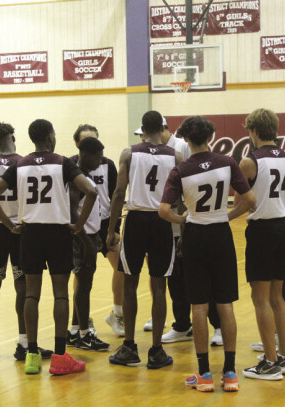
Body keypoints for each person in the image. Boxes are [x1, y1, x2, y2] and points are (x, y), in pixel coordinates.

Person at [0, 119, 97, 375]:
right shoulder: (62, 162)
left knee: (31, 294)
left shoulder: (19, 164)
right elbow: (91, 191)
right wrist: (78, 225)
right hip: (57, 232)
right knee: (60, 294)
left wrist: (9, 224)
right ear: (50, 136)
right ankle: (59, 357)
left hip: (30, 233)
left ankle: (32, 355)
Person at [159, 115, 256, 391]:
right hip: (220, 234)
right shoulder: (228, 163)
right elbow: (250, 200)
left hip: (196, 236)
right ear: (211, 137)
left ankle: (203, 374)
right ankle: (230, 374)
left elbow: (164, 211)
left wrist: (185, 220)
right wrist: (228, 216)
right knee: (225, 304)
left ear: (186, 139)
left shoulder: (180, 170)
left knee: (199, 306)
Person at [0, 123, 52, 360]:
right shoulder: (24, 163)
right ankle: (25, 343)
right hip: (20, 230)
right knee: (22, 286)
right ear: (13, 137)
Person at [106, 110, 182, 369]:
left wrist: (111, 228)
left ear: (142, 129)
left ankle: (129, 346)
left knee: (130, 283)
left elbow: (118, 193)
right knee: (159, 286)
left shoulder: (129, 153)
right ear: (162, 128)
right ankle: (157, 350)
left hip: (136, 220)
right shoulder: (176, 156)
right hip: (162, 222)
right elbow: (181, 198)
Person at [238, 109, 285, 381]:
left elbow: (241, 199)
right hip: (284, 226)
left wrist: (223, 218)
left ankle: (270, 362)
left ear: (254, 131)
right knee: (277, 294)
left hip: (262, 228)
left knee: (259, 297)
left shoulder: (250, 161)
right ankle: (284, 356)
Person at [157, 118, 223, 346]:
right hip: (173, 223)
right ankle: (182, 325)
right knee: (175, 281)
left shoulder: (183, 148)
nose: (145, 138)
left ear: (164, 129)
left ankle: (218, 326)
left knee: (206, 281)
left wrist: (184, 218)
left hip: (193, 222)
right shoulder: (154, 153)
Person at [66, 124, 123, 338]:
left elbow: (115, 196)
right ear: (78, 146)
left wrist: (114, 229)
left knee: (121, 267)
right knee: (81, 274)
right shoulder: (71, 166)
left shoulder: (107, 165)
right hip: (84, 227)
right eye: (87, 141)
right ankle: (81, 321)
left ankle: (117, 315)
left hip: (105, 224)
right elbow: (71, 205)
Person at [68, 136, 110, 351]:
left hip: (90, 235)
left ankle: (75, 330)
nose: (100, 161)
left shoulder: (83, 175)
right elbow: (73, 216)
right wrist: (86, 241)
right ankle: (84, 334)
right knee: (84, 286)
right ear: (85, 154)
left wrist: (97, 235)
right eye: (97, 156)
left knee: (84, 284)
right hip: (81, 238)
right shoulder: (77, 180)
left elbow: (91, 210)